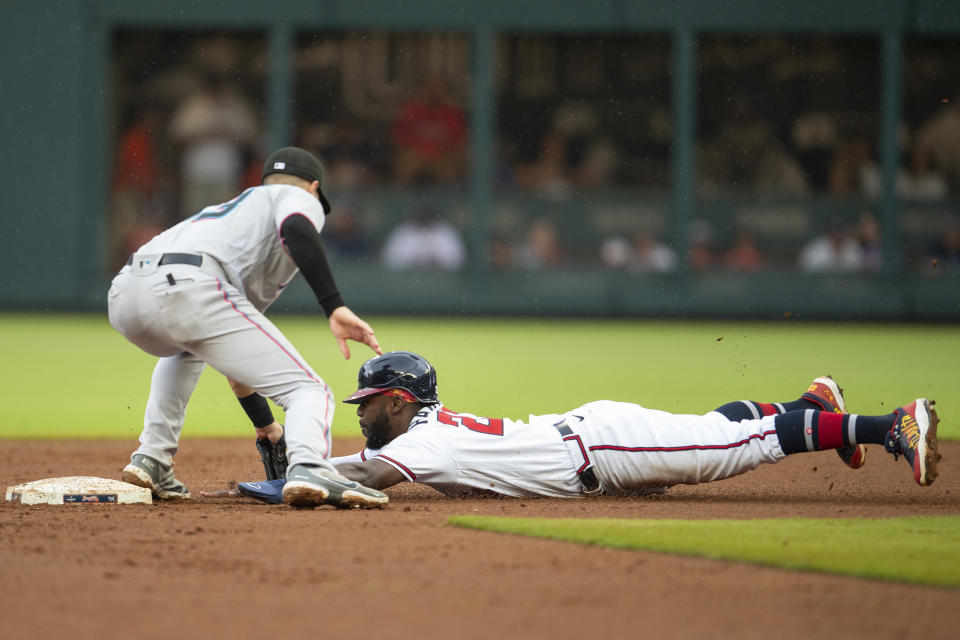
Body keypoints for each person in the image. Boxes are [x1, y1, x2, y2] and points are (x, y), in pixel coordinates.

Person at [212, 351, 940, 504]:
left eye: (366, 403)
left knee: (728, 446)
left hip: (600, 448)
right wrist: (294, 462)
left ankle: (889, 426)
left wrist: (286, 480)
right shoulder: (423, 430)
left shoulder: (422, 442)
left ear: (398, 402)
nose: (361, 413)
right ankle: (812, 407)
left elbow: (361, 476)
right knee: (705, 430)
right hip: (591, 436)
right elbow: (350, 465)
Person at [107, 146, 389, 509]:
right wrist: (334, 305)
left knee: (188, 352)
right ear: (313, 188)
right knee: (309, 390)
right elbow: (298, 227)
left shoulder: (225, 219)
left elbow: (234, 362)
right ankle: (310, 468)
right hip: (191, 283)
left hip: (126, 292)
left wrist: (266, 427)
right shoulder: (295, 197)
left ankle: (152, 460)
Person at [381, 207, 467, 271]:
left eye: (426, 217)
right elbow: (390, 258)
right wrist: (413, 261)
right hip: (407, 284)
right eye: (420, 217)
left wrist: (438, 261)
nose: (424, 220)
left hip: (442, 284)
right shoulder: (403, 232)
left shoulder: (446, 233)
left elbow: (458, 259)